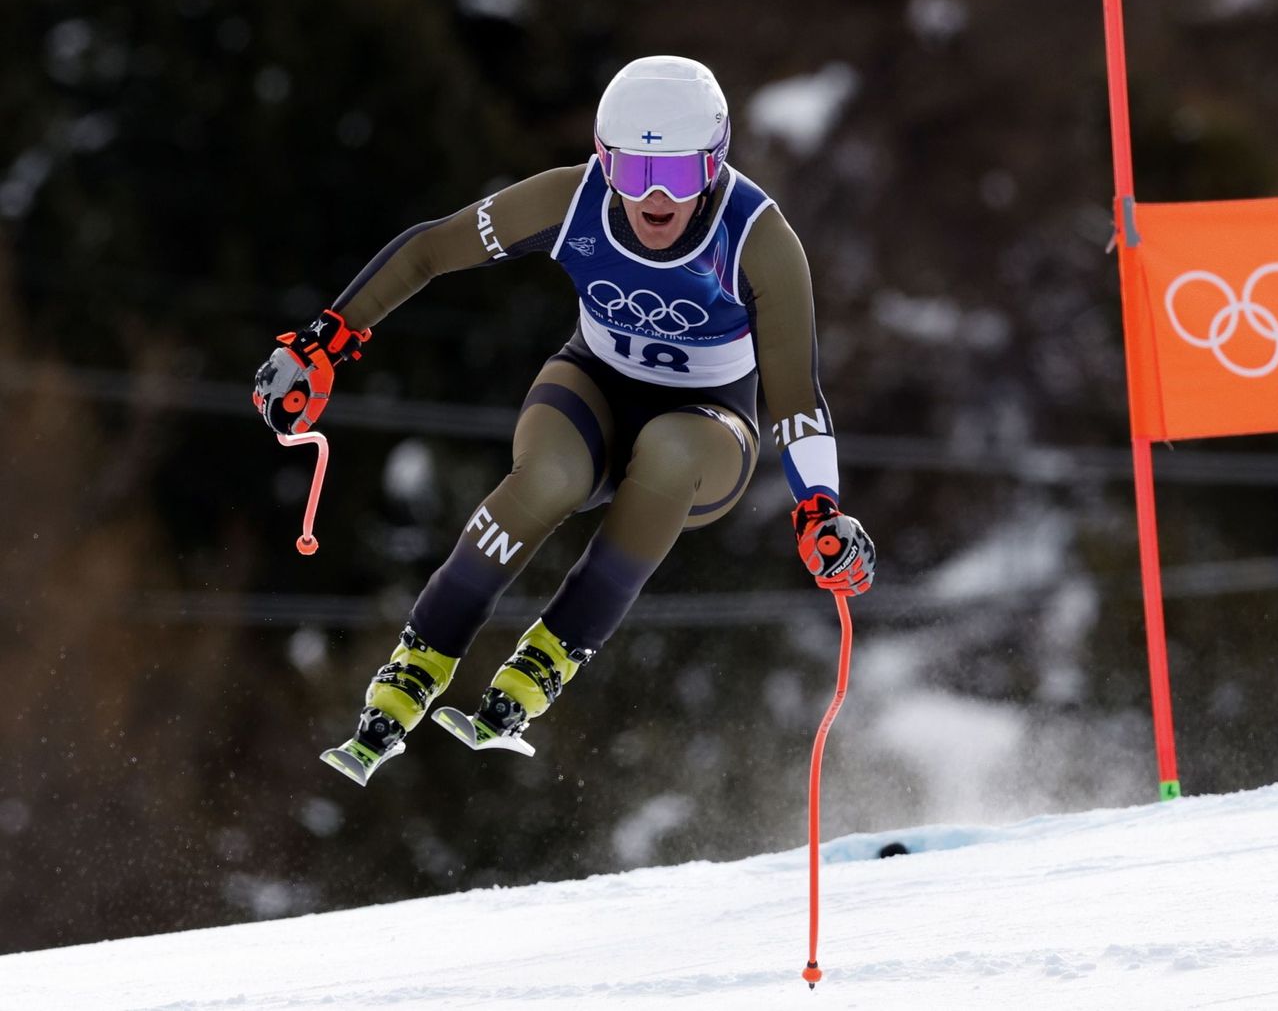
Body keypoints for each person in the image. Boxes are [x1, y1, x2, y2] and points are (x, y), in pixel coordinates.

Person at [253, 55, 876, 785]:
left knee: (670, 450)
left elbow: (797, 397)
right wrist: (327, 340)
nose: (652, 199)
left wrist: (819, 510)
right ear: (601, 162)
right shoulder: (572, 200)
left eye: (675, 175)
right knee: (547, 474)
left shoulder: (760, 242)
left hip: (708, 426)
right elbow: (431, 250)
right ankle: (422, 654)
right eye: (632, 172)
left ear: (714, 167)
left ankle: (553, 653)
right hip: (593, 384)